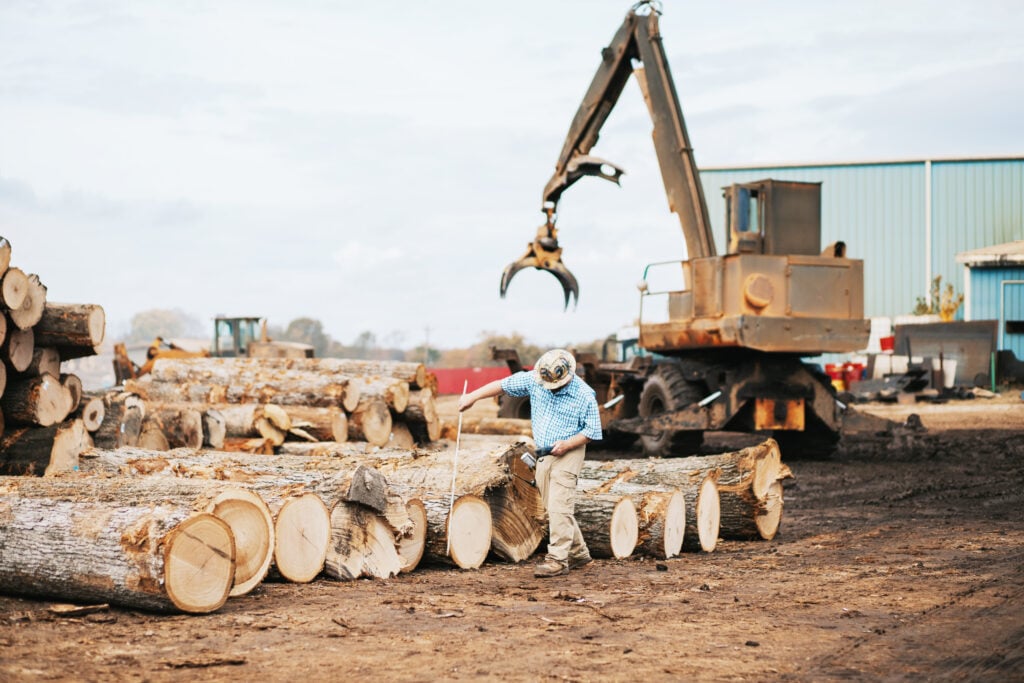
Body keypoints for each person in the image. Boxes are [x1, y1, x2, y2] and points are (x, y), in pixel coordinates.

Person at [458, 348, 602, 577]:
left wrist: (568, 444)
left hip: (569, 452)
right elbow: (502, 385)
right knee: (552, 507)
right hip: (543, 453)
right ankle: (579, 554)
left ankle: (557, 560)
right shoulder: (535, 380)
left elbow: (593, 431)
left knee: (559, 506)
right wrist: (472, 397)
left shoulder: (584, 394)